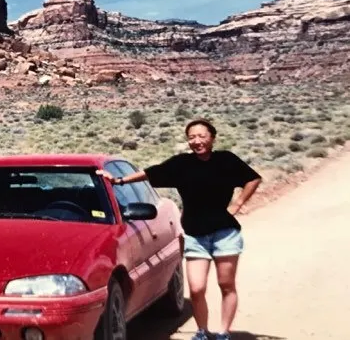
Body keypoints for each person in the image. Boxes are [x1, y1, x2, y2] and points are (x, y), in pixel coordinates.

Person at [98, 118, 262, 340]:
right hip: (195, 235)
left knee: (226, 284)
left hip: (225, 234)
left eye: (202, 136)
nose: (197, 141)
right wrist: (119, 181)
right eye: (192, 137)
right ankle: (203, 331)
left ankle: (224, 332)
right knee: (196, 288)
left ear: (212, 138)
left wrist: (239, 203)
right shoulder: (182, 164)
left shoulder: (226, 160)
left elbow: (253, 179)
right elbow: (152, 172)